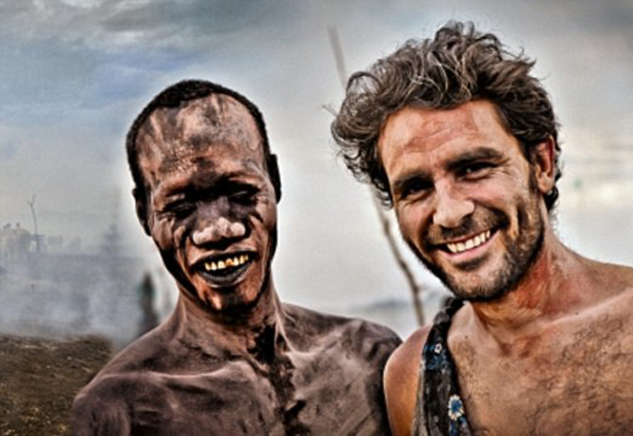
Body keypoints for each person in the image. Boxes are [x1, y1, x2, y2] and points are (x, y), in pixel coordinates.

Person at [331, 22, 633, 435]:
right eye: (415, 187)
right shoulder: (412, 375)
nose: (448, 213)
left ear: (541, 164)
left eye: (473, 168)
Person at [71, 80, 400, 435]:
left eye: (241, 193)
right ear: (145, 214)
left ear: (273, 181)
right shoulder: (119, 411)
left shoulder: (371, 357)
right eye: (181, 206)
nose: (217, 230)